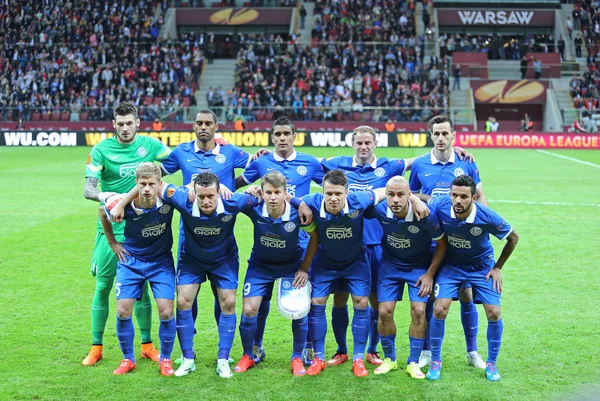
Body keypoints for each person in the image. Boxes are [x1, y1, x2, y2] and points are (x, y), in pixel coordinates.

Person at [321, 125, 473, 369]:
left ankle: (372, 351)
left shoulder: (388, 166)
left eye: (367, 142)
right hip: (352, 243)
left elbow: (416, 164)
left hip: (382, 246)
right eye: (358, 142)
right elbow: (310, 163)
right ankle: (341, 350)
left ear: (375, 143)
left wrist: (453, 150)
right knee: (341, 297)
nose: (363, 147)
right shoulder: (338, 164)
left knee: (373, 301)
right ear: (352, 143)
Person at [112, 172, 260, 378]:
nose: (206, 201)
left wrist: (255, 190)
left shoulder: (233, 201)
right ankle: (188, 358)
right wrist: (121, 204)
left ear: (220, 193)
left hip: (224, 260)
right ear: (194, 194)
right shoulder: (182, 198)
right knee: (182, 301)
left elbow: (262, 195)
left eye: (211, 196)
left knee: (228, 303)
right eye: (201, 197)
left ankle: (223, 359)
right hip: (191, 260)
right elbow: (153, 183)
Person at [300, 169, 430, 377]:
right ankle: (319, 358)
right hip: (325, 262)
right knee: (317, 303)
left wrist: (413, 198)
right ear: (322, 193)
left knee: (362, 302)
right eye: (329, 193)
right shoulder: (313, 201)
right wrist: (301, 204)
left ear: (347, 192)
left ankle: (359, 358)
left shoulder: (359, 200)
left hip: (356, 262)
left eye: (338, 194)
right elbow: (290, 198)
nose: (333, 198)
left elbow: (382, 192)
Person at [82, 101, 171, 366]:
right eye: (120, 124)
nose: (124, 128)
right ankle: (96, 346)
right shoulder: (101, 150)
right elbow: (88, 188)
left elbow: (178, 160)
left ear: (137, 123)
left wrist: (216, 141)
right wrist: (103, 195)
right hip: (110, 231)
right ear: (113, 125)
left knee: (141, 291)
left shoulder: (151, 145)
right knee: (103, 287)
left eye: (129, 123)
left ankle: (146, 345)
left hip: (140, 233)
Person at [161, 108, 252, 365]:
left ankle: (224, 350)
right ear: (193, 126)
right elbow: (158, 176)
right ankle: (188, 348)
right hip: (189, 237)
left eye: (208, 123)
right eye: (199, 123)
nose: (203, 127)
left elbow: (255, 168)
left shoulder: (230, 152)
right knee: (187, 297)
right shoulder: (181, 152)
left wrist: (234, 187)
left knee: (221, 295)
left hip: (222, 236)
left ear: (216, 127)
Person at [235, 116, 324, 365]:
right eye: (278, 134)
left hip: (299, 244)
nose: (282, 138)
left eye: (287, 133)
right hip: (264, 251)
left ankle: (305, 349)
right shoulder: (261, 162)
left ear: (295, 136)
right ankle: (254, 348)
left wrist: (304, 204)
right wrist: (244, 190)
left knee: (300, 305)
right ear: (272, 138)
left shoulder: (310, 162)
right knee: (257, 303)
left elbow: (328, 187)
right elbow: (238, 184)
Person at [409, 114, 488, 369]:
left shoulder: (466, 163)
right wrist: (426, 197)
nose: (441, 138)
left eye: (445, 133)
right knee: (429, 294)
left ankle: (472, 351)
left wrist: (481, 228)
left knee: (466, 294)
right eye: (437, 134)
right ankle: (426, 351)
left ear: (454, 136)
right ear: (431, 136)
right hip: (430, 241)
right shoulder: (420, 165)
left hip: (460, 241)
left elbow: (480, 197)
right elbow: (411, 195)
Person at [425, 175, 519, 381]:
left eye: (464, 197)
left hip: (481, 267)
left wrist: (498, 267)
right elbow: (424, 200)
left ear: (474, 198)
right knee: (439, 308)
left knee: (494, 312)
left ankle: (492, 364)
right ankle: (436, 361)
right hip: (451, 266)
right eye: (454, 195)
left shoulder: (486, 216)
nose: (458, 201)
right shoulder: (440, 204)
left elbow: (513, 237)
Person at [233, 172, 319, 376]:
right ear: (261, 192)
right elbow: (230, 201)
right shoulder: (253, 208)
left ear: (285, 193)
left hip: (291, 266)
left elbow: (315, 238)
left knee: (298, 311)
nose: (272, 197)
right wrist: (248, 191)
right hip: (260, 266)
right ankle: (249, 354)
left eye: (277, 192)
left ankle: (297, 357)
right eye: (268, 192)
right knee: (248, 311)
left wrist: (304, 269)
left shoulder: (298, 213)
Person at [99, 163, 177, 376]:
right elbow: (102, 212)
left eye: (152, 184)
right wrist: (113, 244)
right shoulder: (122, 204)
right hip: (131, 261)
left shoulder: (169, 200)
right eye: (142, 184)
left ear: (159, 184)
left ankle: (166, 359)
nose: (147, 189)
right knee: (123, 310)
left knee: (166, 311)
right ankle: (128, 359)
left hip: (161, 262)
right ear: (136, 184)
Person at [365, 176, 447, 378]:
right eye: (390, 194)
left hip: (419, 267)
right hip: (390, 266)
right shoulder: (378, 209)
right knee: (384, 312)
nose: (395, 200)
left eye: (401, 194)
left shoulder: (425, 215)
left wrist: (429, 274)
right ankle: (390, 359)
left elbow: (442, 244)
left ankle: (413, 362)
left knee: (419, 311)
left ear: (409, 195)